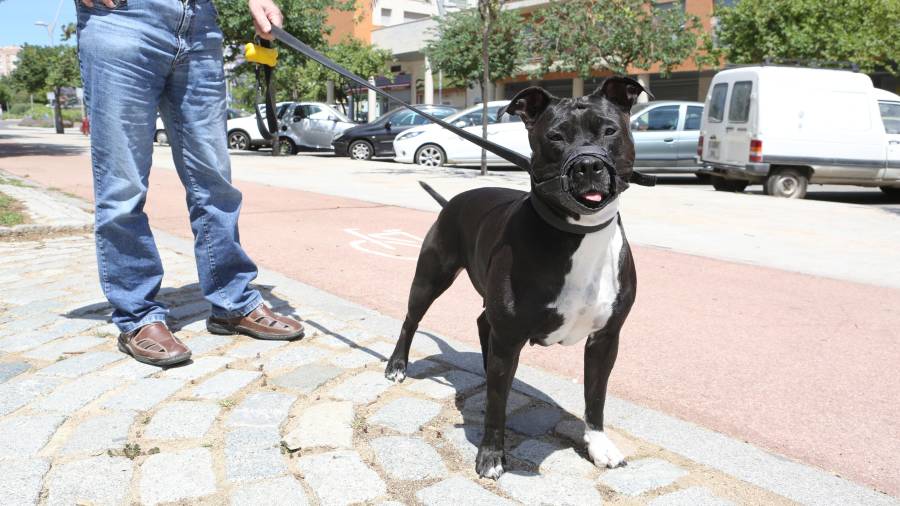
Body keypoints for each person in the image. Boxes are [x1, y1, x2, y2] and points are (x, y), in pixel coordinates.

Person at [75, 0, 303, 366]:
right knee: (123, 187)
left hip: (200, 23)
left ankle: (233, 303)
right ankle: (138, 315)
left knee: (214, 182)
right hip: (123, 17)